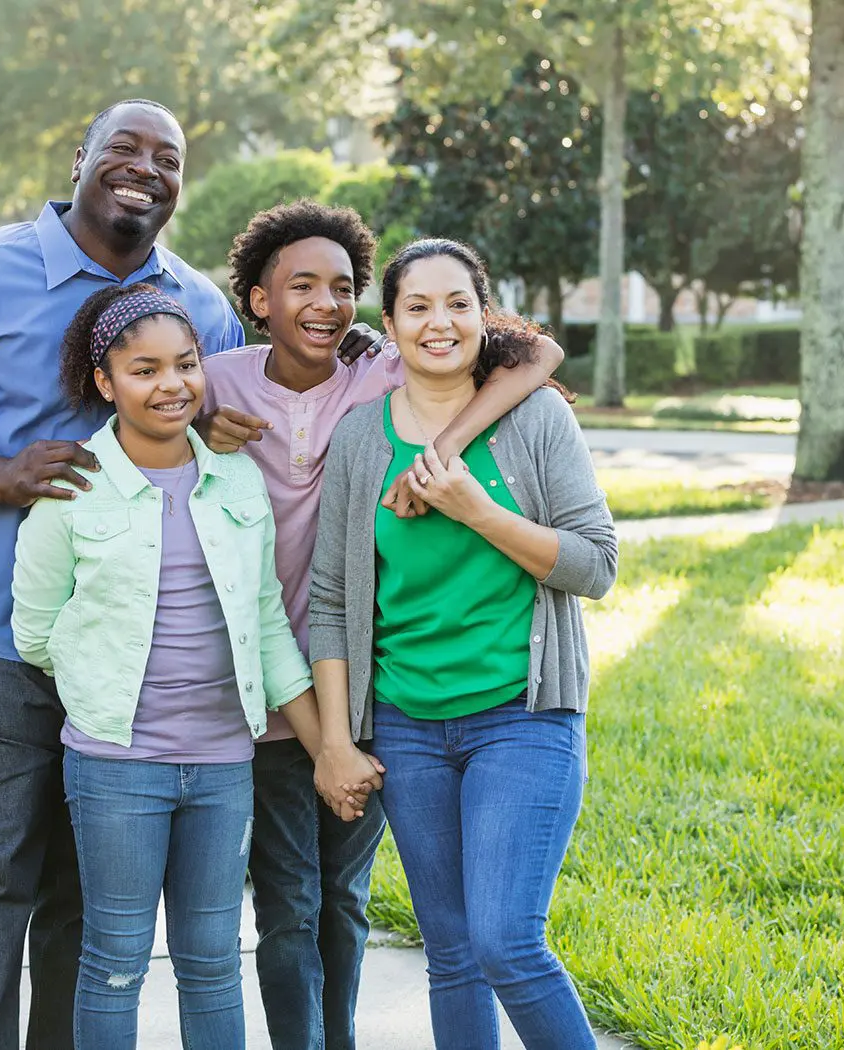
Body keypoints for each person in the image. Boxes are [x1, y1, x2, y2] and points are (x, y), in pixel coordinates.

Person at [0, 99, 250, 1050]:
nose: (146, 167)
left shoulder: (203, 309)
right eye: (124, 147)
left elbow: (242, 425)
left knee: (90, 896)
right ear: (80, 159)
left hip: (132, 650)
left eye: (169, 157)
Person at [201, 202, 563, 1050]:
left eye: (344, 288)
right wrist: (195, 423)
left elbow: (537, 353)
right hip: (262, 677)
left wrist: (445, 460)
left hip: (361, 688)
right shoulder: (218, 379)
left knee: (350, 898)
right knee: (288, 900)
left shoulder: (377, 378)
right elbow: (142, 404)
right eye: (302, 286)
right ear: (257, 299)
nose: (327, 303)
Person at [12, 285, 342, 1049]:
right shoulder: (74, 488)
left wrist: (326, 745)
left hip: (224, 761)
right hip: (117, 763)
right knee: (117, 960)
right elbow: (33, 631)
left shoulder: (235, 478)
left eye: (187, 365)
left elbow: (267, 625)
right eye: (145, 370)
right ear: (106, 382)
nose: (171, 385)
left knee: (212, 961)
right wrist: (105, 680)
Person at [307, 238, 617, 1049]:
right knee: (450, 953)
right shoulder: (359, 442)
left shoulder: (536, 418)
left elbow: (595, 564)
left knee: (506, 943)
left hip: (523, 715)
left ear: (484, 317)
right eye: (418, 306)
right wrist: (335, 741)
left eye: (457, 305)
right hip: (409, 727)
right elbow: (334, 600)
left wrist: (476, 509)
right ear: (390, 325)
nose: (438, 323)